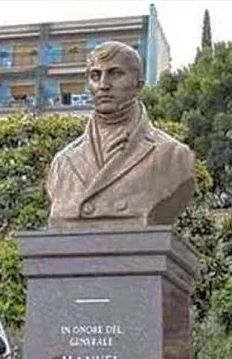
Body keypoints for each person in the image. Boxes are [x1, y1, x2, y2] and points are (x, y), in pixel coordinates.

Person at [45, 41, 195, 230]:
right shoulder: (63, 162)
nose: (103, 85)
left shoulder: (172, 156)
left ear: (138, 84)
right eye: (95, 75)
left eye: (116, 74)